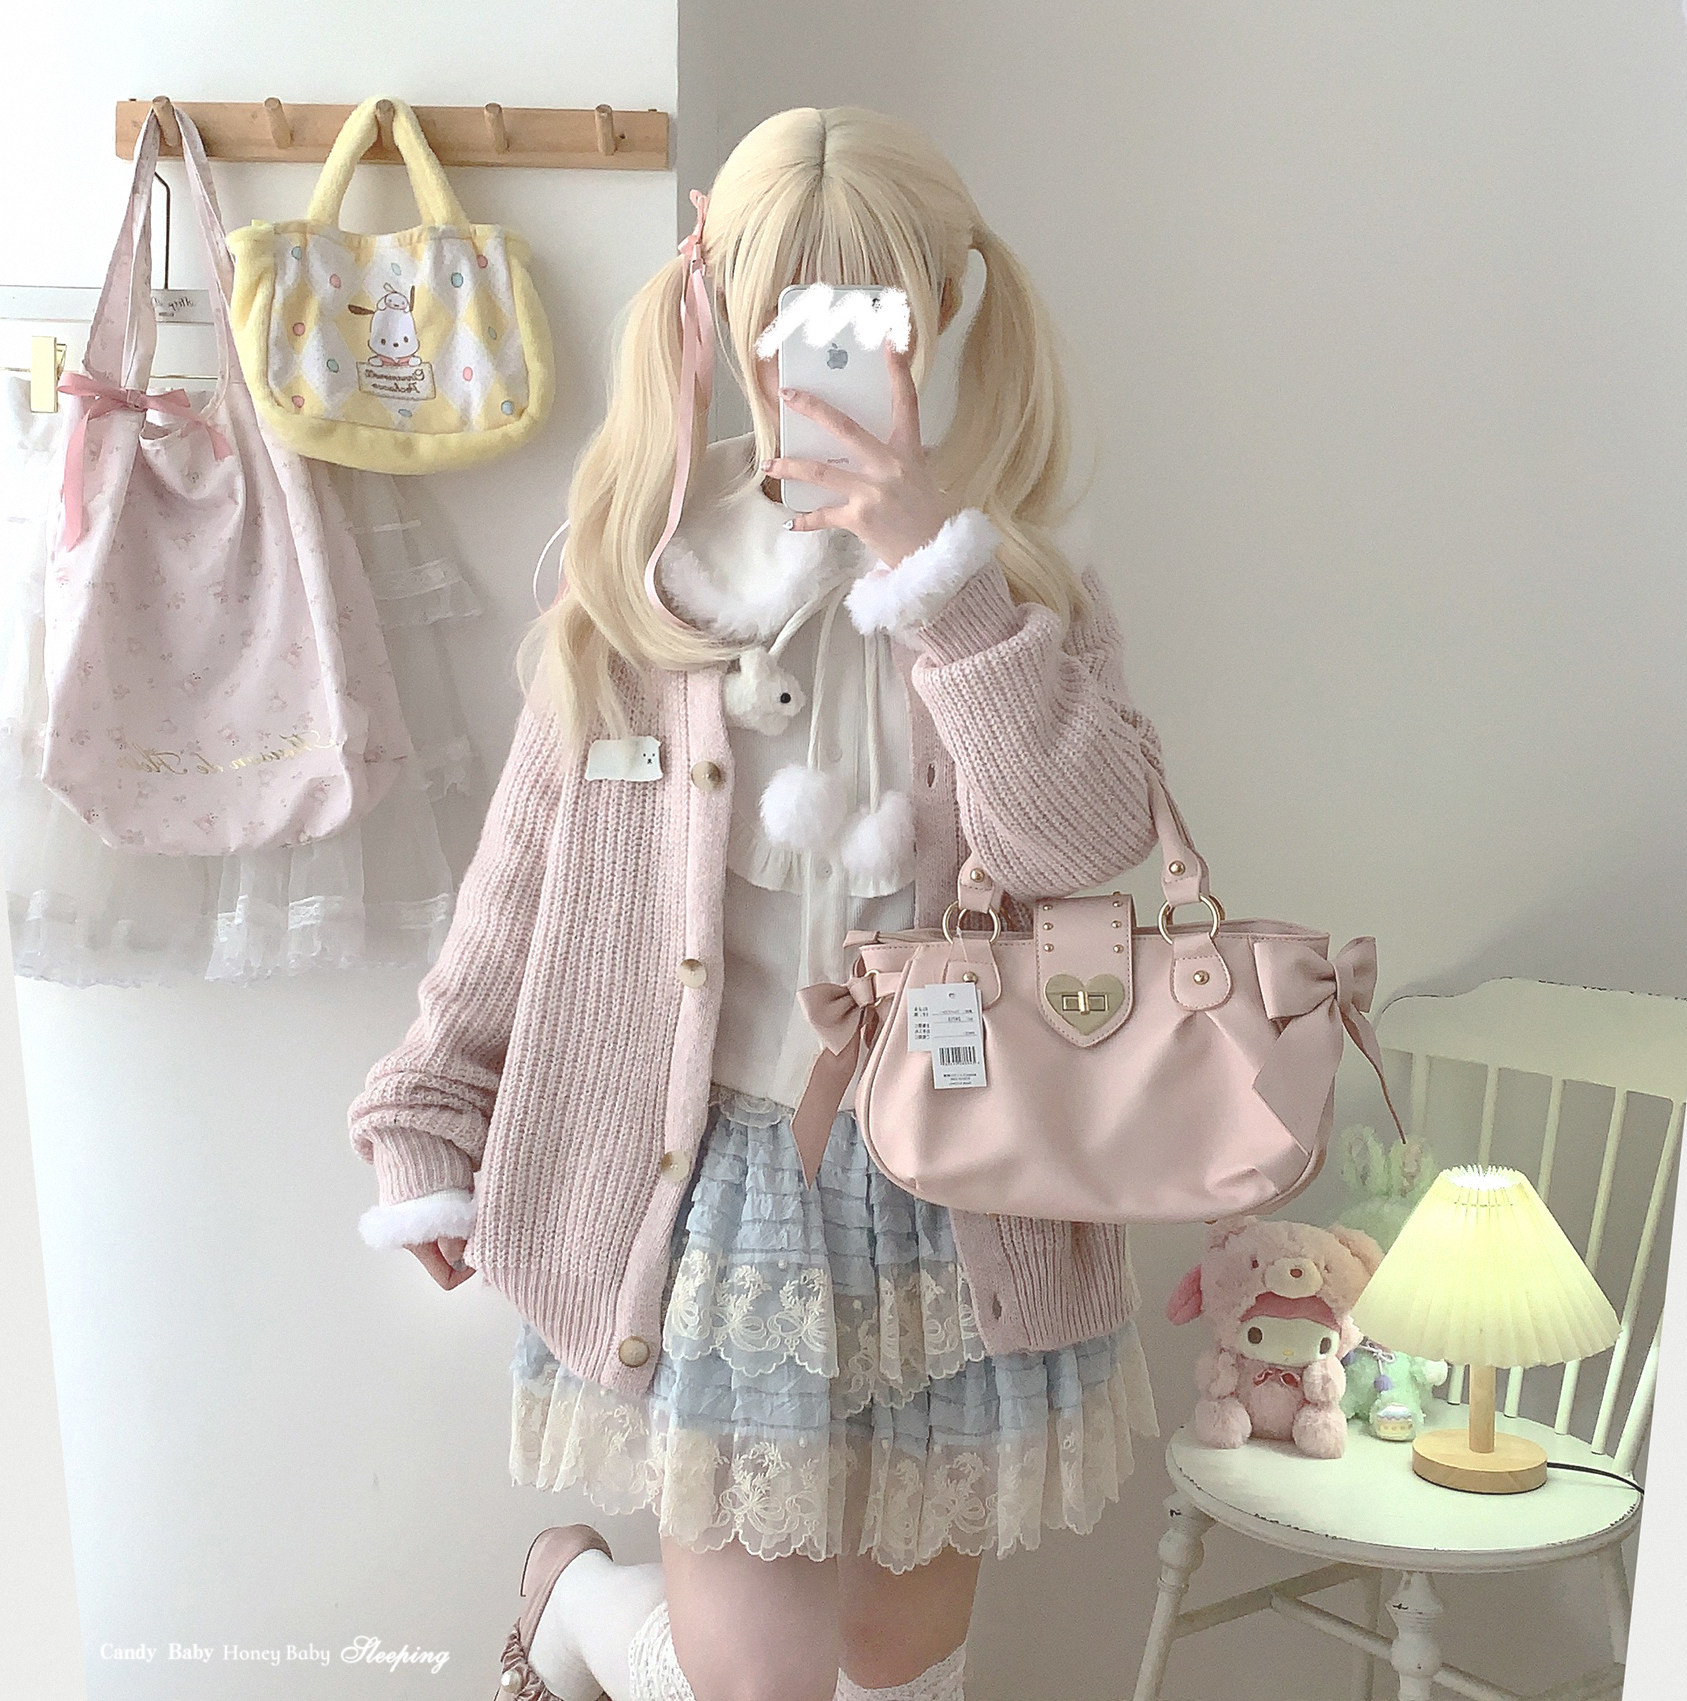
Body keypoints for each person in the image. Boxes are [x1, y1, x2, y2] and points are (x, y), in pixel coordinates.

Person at [348, 104, 1166, 1701]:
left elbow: (1080, 844)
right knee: (758, 1682)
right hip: (716, 1189)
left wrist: (934, 574)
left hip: (957, 1180)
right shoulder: (647, 575)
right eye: (789, 306)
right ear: (718, 298)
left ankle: (584, 1601)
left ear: (948, 307)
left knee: (894, 1648)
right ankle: (583, 1604)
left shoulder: (1018, 583)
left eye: (869, 309)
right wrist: (425, 1105)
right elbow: (526, 872)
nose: (824, 349)